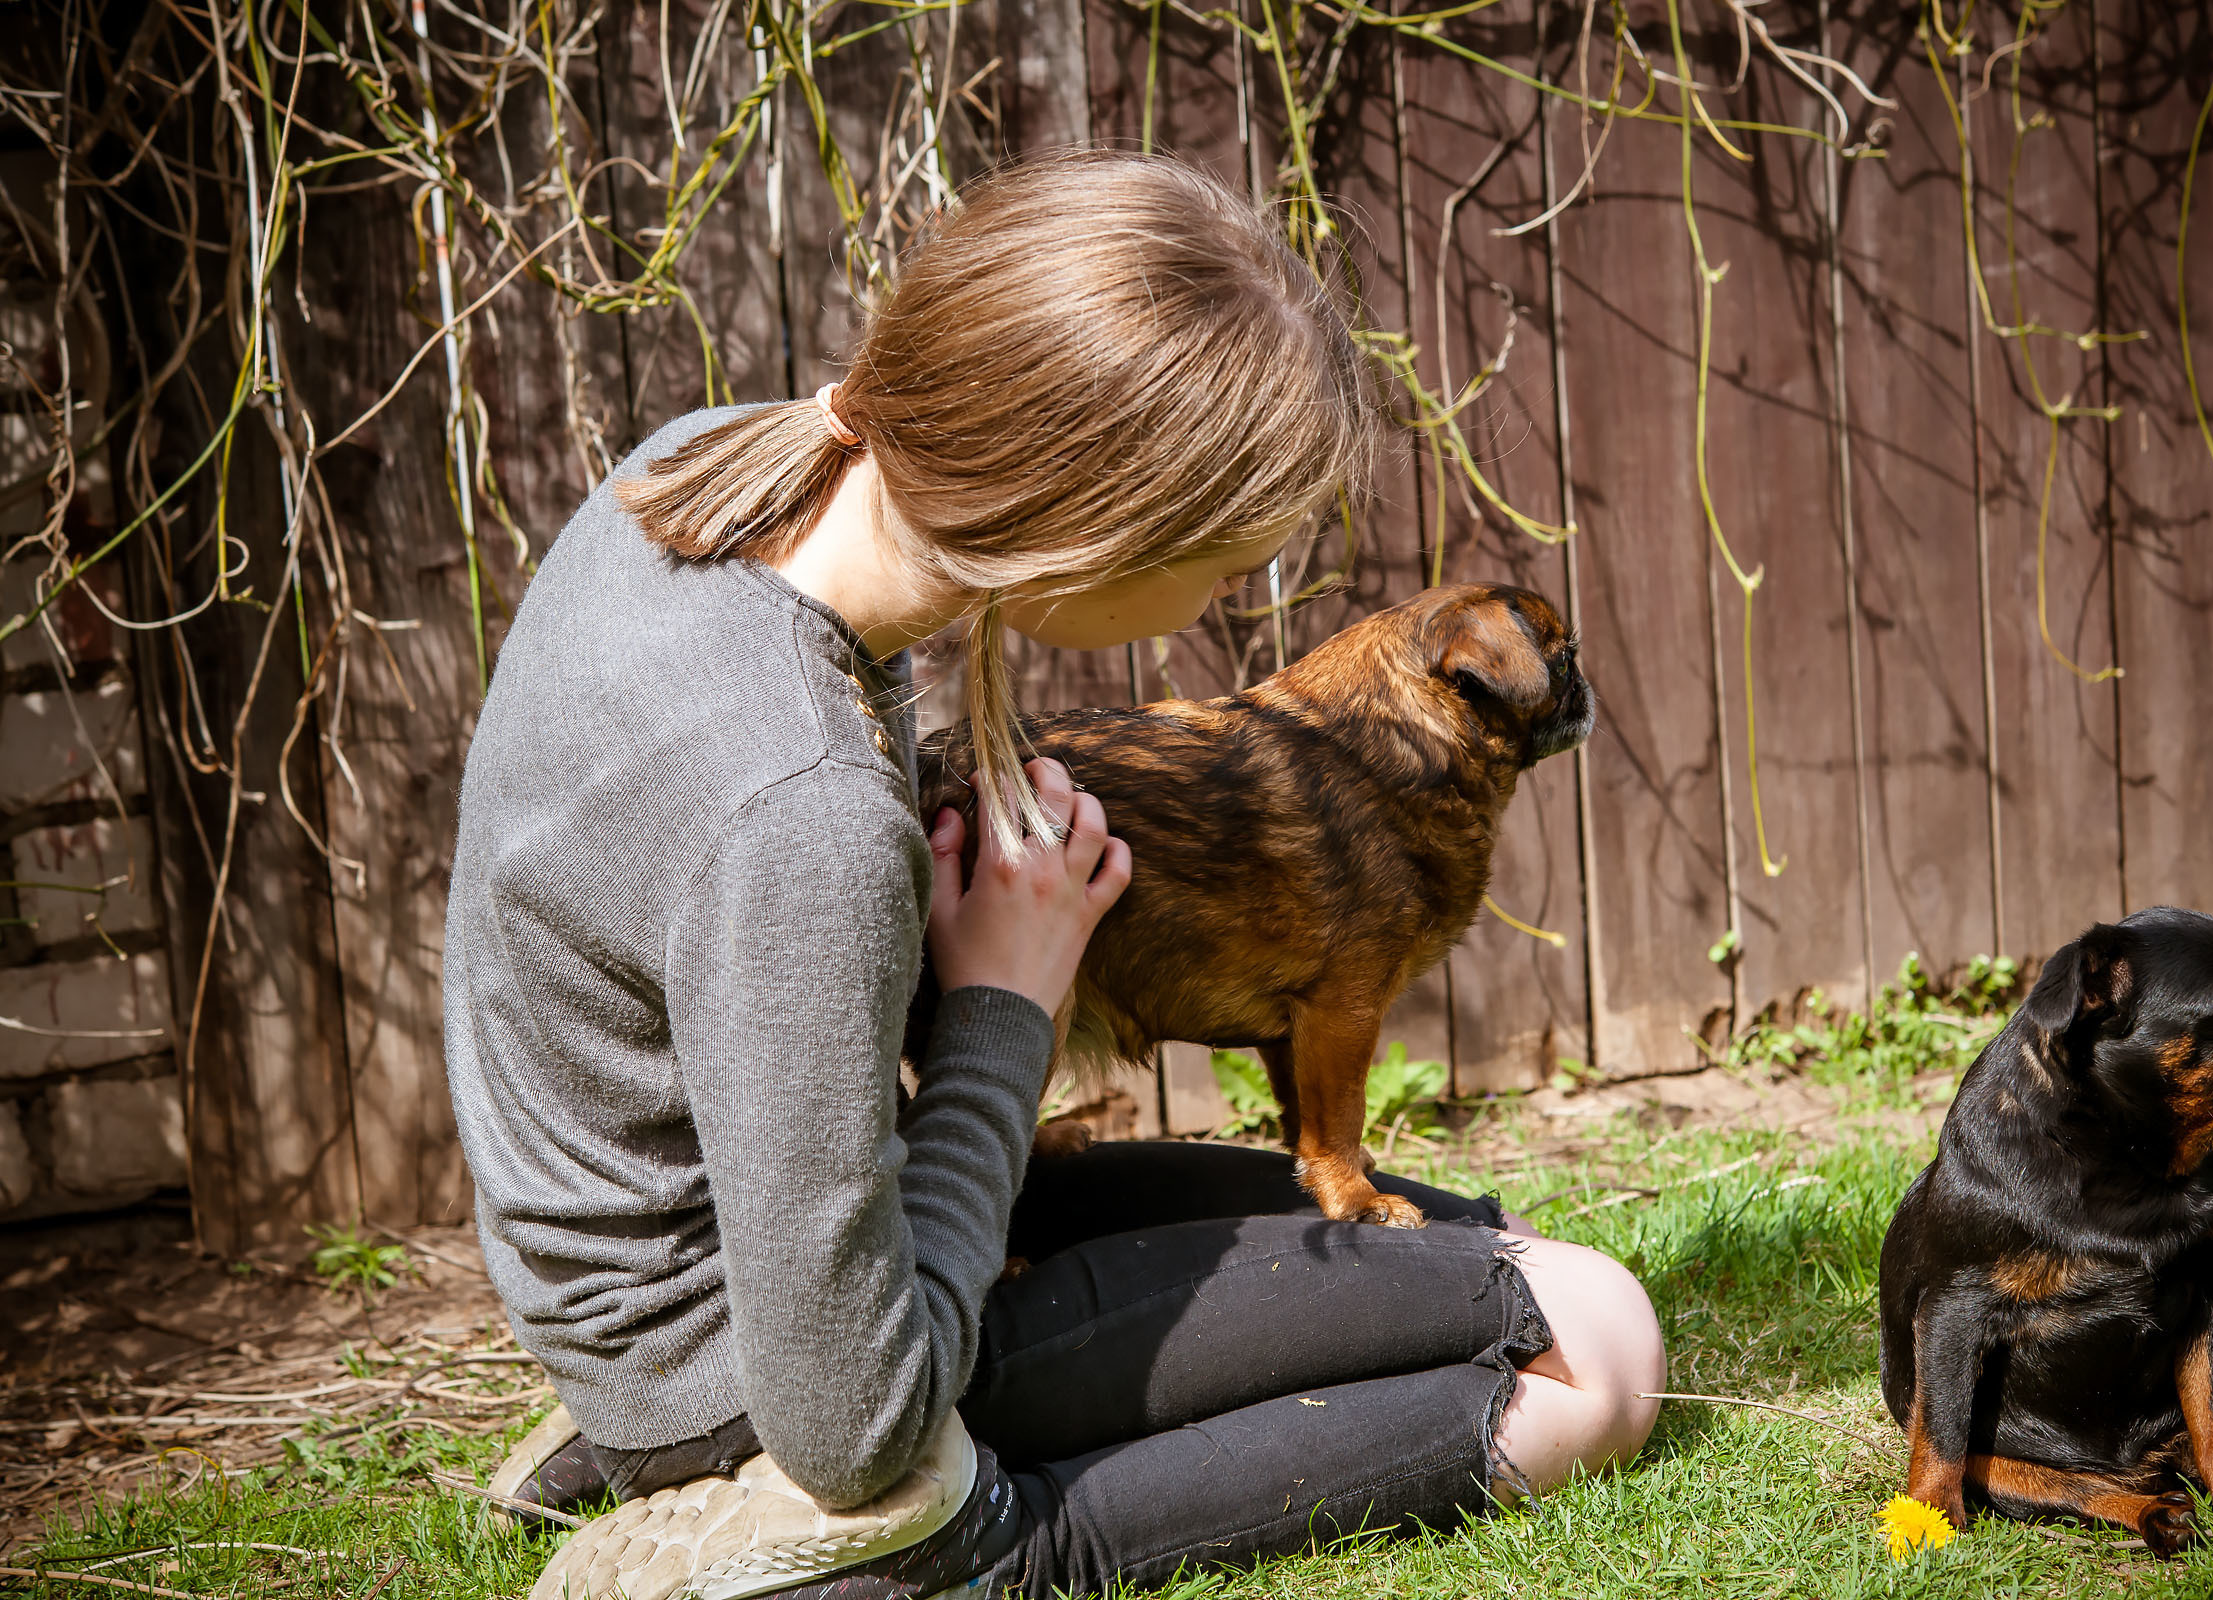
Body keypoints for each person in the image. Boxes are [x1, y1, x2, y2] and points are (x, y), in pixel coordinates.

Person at [444, 149, 1664, 1600]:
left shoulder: (704, 469)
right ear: (1094, 521)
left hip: (699, 1275)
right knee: (1594, 1339)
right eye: (1221, 560)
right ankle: (895, 1549)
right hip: (766, 1365)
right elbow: (852, 1418)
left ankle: (652, 1445)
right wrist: (1008, 1008)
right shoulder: (800, 805)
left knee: (1485, 1247)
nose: (1230, 603)